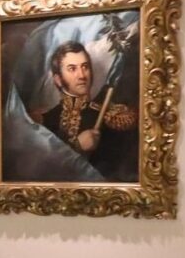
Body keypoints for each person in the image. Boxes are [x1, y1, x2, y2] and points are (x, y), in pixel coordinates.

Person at [36, 41, 139, 181]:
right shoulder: (44, 120)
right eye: (72, 69)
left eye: (85, 67)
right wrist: (76, 146)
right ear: (58, 80)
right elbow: (40, 167)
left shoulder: (107, 116)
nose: (82, 75)